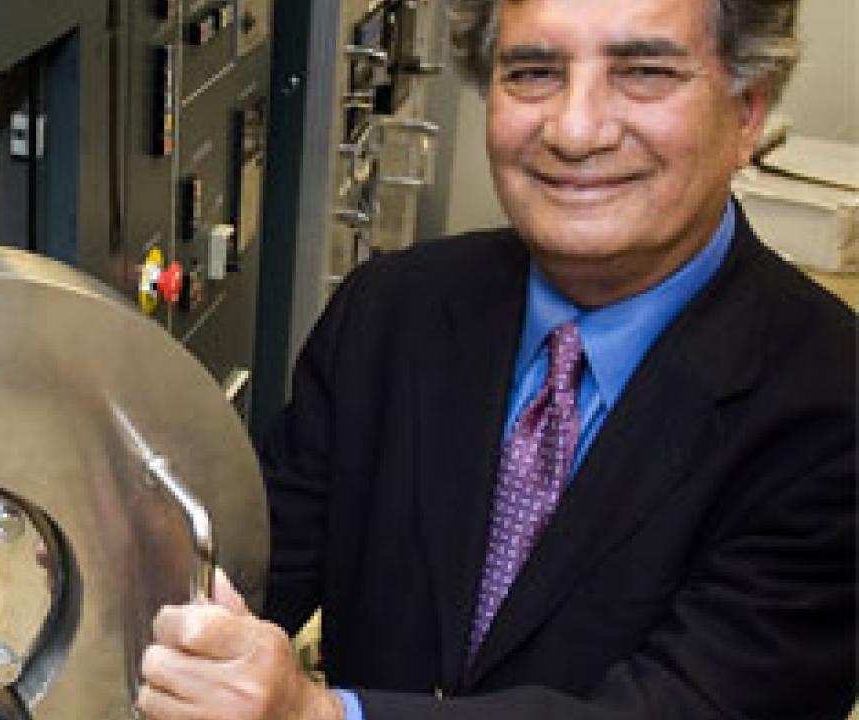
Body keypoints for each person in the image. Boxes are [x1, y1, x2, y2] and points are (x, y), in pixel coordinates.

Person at [135, 0, 857, 717]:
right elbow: (246, 575)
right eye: (534, 73)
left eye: (643, 72)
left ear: (747, 113)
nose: (575, 131)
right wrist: (111, 556)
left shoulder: (830, 403)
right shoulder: (391, 311)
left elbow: (691, 706)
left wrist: (317, 714)